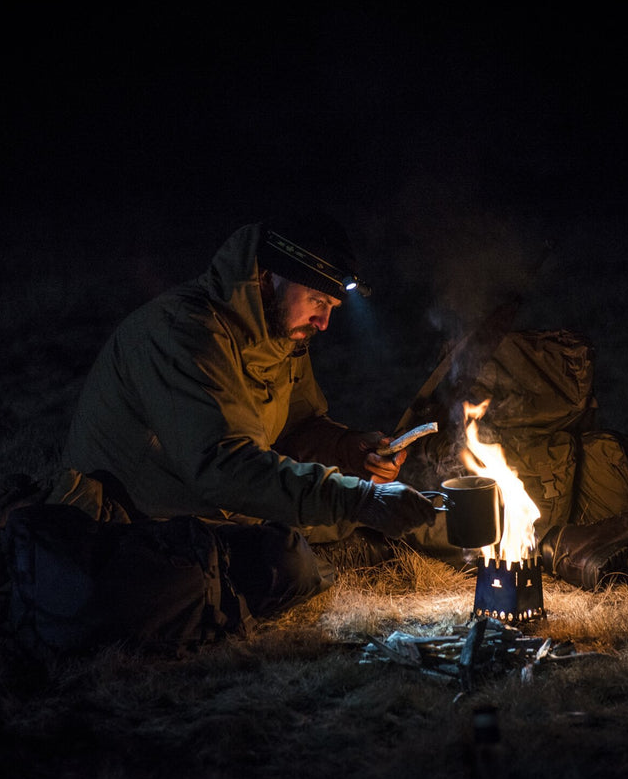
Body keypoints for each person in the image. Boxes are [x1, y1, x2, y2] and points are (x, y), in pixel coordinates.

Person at [56, 214, 441, 618]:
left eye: (330, 307)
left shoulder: (280, 335)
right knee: (290, 562)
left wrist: (349, 448)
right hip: (140, 518)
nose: (324, 323)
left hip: (212, 503)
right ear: (270, 277)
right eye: (317, 301)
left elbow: (298, 426)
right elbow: (225, 466)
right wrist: (358, 499)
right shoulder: (183, 335)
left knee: (351, 513)